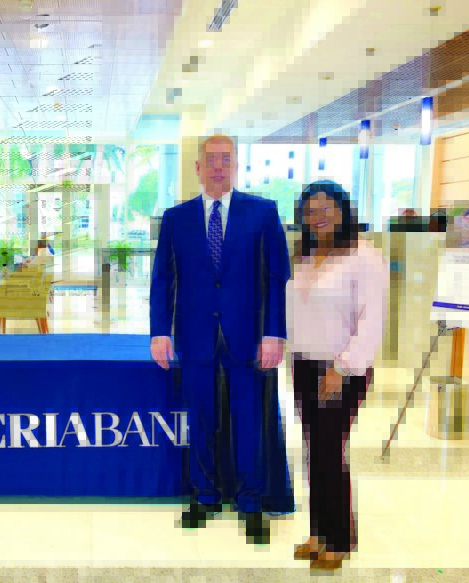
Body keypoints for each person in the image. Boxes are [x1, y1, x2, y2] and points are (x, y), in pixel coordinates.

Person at [150, 134, 294, 543]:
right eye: (210, 160)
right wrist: (160, 331)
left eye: (225, 159)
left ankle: (251, 502)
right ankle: (205, 496)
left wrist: (274, 333)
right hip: (194, 336)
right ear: (198, 167)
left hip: (249, 338)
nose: (218, 167)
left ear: (236, 165)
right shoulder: (176, 218)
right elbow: (163, 278)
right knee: (202, 420)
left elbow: (277, 278)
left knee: (249, 420)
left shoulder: (262, 212)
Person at [287, 180, 388, 570]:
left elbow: (371, 321)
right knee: (314, 451)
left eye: (326, 208)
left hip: (339, 369)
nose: (318, 216)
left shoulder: (363, 255)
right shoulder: (307, 254)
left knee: (330, 451)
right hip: (304, 364)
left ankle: (340, 539)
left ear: (343, 211)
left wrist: (342, 368)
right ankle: (318, 533)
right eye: (310, 210)